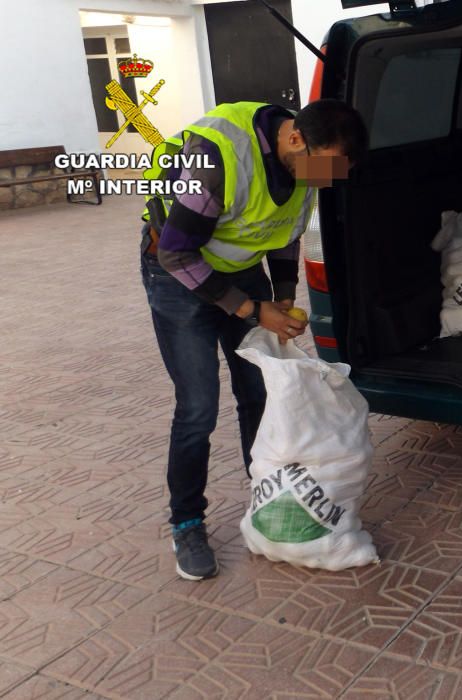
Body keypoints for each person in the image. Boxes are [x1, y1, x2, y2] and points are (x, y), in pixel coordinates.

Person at [140, 99, 368, 581]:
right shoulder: (221, 155)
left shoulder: (307, 166)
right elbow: (177, 255)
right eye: (325, 167)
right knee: (199, 406)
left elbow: (284, 232)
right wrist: (250, 308)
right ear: (294, 140)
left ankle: (267, 491)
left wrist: (282, 296)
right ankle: (187, 522)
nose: (326, 179)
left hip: (241, 271)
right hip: (178, 277)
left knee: (259, 391)